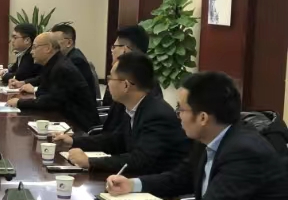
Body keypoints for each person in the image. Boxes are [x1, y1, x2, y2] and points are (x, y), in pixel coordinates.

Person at [78, 71, 288, 200]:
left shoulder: (244, 151)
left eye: (182, 109)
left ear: (203, 118)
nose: (177, 115)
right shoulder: (209, 139)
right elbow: (180, 178)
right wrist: (134, 184)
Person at [53, 52, 190, 174]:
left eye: (111, 78)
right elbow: (115, 141)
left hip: (159, 186)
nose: (108, 84)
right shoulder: (133, 107)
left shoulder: (156, 115)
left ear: (125, 85)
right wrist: (73, 141)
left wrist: (91, 162)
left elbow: (140, 160)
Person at [7, 32, 99, 131]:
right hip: (65, 119)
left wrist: (20, 103)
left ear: (48, 48)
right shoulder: (53, 64)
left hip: (79, 126)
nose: (31, 52)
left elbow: (51, 101)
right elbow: (44, 92)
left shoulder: (62, 68)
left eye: (34, 47)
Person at [103, 25, 163, 132]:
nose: (112, 51)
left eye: (114, 47)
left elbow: (119, 137)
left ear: (124, 50)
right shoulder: (141, 78)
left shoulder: (138, 87)